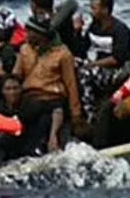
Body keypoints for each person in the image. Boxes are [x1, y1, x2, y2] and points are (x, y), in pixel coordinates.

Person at [13, 16, 82, 154]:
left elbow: (70, 84)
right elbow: (17, 75)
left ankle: (48, 142)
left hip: (52, 97)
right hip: (31, 98)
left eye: (31, 31)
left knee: (48, 115)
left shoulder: (62, 54)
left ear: (40, 35)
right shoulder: (25, 50)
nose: (27, 35)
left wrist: (76, 113)